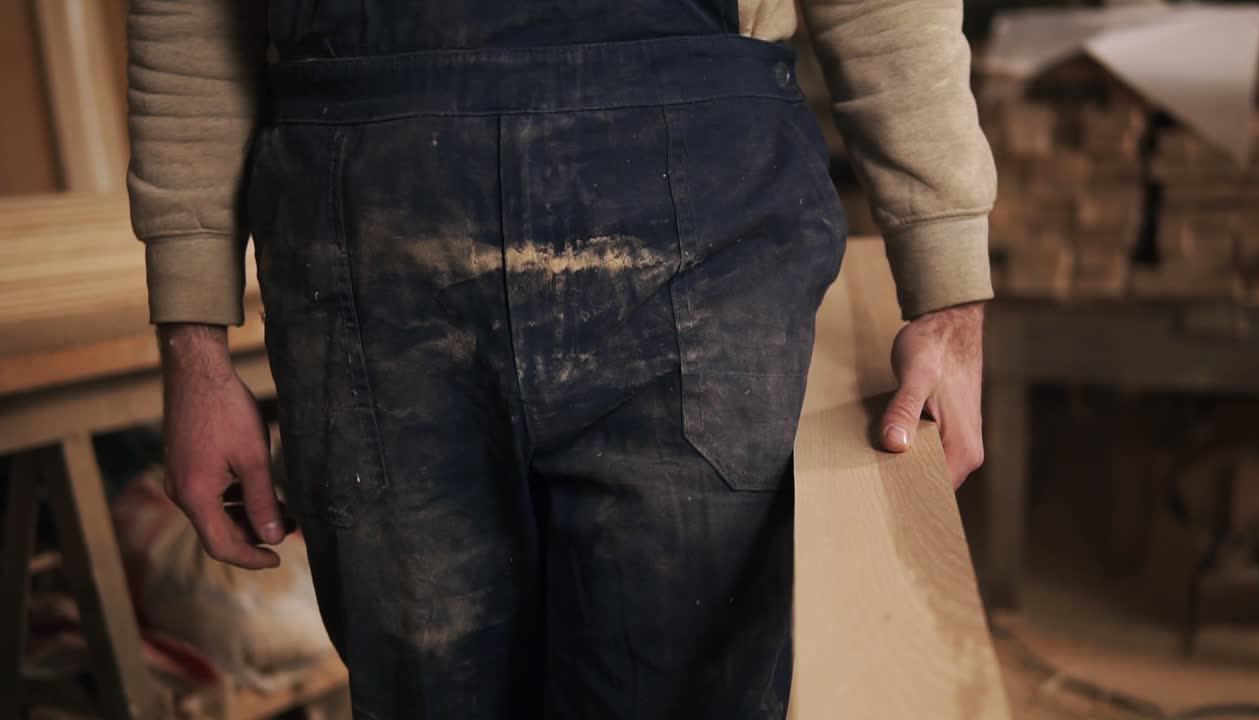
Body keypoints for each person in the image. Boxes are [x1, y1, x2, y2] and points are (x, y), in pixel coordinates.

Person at [128, 0, 993, 717]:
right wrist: (193, 346)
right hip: (369, 251)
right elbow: (188, 16)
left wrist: (948, 290)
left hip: (698, 225)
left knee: (684, 692)